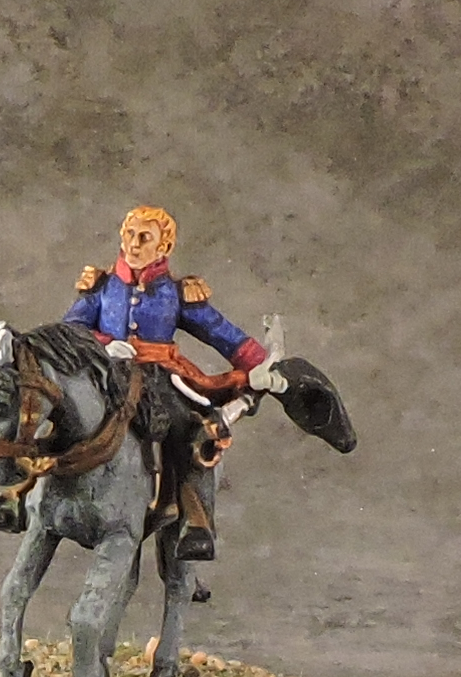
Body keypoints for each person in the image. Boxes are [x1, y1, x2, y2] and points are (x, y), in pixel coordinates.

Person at [60, 206, 351, 561]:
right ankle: (23, 491)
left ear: (164, 247)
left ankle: (195, 519)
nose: (134, 244)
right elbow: (69, 330)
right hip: (104, 373)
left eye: (144, 238)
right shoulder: (101, 287)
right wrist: (104, 344)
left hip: (159, 378)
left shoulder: (177, 293)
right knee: (58, 409)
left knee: (191, 430)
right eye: (129, 235)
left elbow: (220, 332)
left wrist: (260, 364)